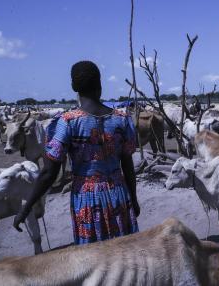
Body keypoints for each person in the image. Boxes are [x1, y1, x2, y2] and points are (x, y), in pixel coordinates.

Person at [13, 61, 140, 245]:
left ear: (74, 87)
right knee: (123, 255)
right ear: (100, 84)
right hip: (119, 195)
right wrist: (133, 199)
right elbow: (127, 166)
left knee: (92, 259)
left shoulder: (67, 122)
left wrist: (26, 208)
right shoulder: (122, 119)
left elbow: (49, 172)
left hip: (87, 201)